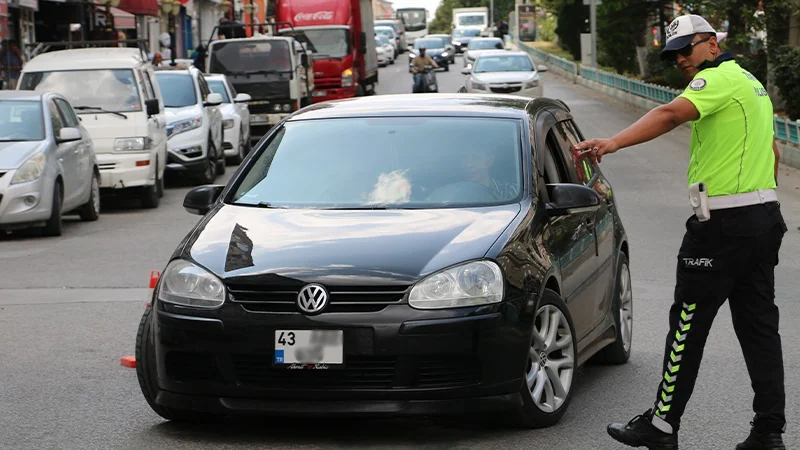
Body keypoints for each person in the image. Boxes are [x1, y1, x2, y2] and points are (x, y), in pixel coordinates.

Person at [573, 14, 787, 450]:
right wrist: (762, 201)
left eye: (687, 49)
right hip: (762, 218)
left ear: (711, 42)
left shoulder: (718, 80)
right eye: (674, 55)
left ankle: (662, 425)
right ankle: (768, 432)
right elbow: (773, 148)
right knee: (759, 327)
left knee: (687, 324)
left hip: (722, 227)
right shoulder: (751, 84)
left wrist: (613, 142)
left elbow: (671, 114)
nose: (681, 60)